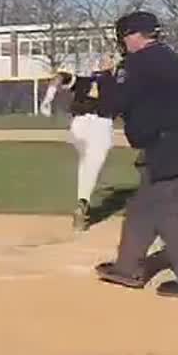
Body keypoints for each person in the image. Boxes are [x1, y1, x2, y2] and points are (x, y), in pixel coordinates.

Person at [94, 12, 178, 297]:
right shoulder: (170, 58)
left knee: (170, 212)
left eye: (124, 37)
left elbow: (111, 105)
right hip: (176, 143)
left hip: (169, 146)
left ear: (134, 35)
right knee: (141, 209)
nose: (124, 43)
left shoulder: (137, 63)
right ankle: (127, 268)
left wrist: (106, 78)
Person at [43, 57, 117, 230]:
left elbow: (60, 76)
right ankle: (82, 203)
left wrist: (48, 98)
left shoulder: (85, 80)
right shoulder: (118, 82)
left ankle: (82, 204)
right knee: (90, 165)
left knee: (86, 163)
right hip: (101, 124)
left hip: (78, 125)